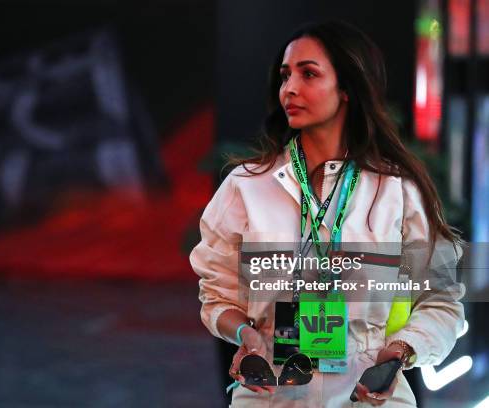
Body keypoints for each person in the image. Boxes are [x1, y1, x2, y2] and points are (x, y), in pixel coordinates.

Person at [190, 20, 465, 407]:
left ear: (348, 89)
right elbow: (217, 295)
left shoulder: (397, 191)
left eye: (308, 73)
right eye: (285, 75)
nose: (290, 88)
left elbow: (440, 301)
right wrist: (246, 337)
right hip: (270, 396)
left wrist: (400, 351)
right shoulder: (246, 186)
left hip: (369, 397)